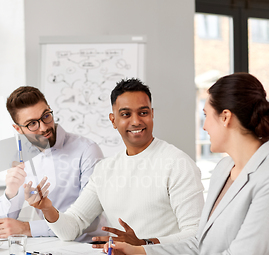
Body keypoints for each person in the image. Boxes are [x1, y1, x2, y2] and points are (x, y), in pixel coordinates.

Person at [106, 73, 269, 255]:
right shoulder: (224, 169)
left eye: (206, 115)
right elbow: (200, 244)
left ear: (225, 117)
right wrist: (140, 250)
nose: (204, 126)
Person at [24, 78, 204, 246]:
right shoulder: (104, 169)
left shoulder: (178, 163)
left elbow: (196, 233)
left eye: (143, 113)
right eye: (126, 114)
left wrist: (145, 244)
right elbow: (71, 228)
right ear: (113, 120)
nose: (136, 121)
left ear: (152, 115)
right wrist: (47, 208)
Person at [0, 86, 109, 242]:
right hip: (48, 248)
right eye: (32, 123)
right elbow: (4, 226)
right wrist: (10, 191)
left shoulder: (87, 151)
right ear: (18, 129)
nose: (44, 127)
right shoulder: (23, 157)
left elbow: (90, 220)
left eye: (46, 116)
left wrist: (27, 228)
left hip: (87, 247)